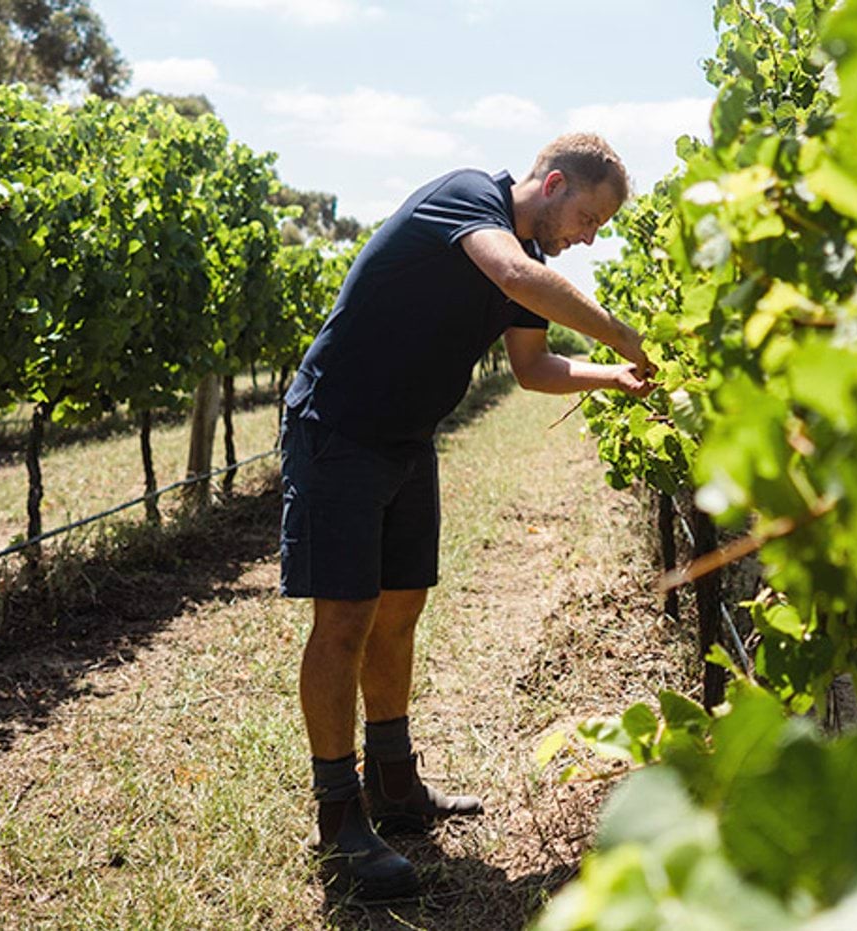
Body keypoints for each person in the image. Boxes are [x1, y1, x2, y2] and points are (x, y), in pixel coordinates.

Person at [278, 133, 654, 900]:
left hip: (408, 440)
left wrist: (612, 376)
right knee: (345, 619)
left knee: (401, 610)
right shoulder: (468, 199)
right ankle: (339, 822)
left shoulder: (533, 268)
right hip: (338, 429)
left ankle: (394, 782)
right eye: (589, 218)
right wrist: (619, 330)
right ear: (552, 183)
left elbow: (532, 367)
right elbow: (512, 272)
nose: (588, 238)